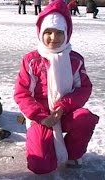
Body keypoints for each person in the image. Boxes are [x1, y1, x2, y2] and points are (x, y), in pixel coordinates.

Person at [14, 0, 98, 174]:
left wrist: (63, 106)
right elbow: (22, 93)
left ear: (66, 34)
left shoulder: (75, 60)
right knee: (41, 166)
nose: (53, 37)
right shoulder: (32, 60)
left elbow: (84, 88)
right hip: (42, 117)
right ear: (41, 33)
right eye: (48, 32)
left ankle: (73, 153)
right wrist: (41, 116)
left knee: (85, 118)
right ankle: (45, 145)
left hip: (65, 113)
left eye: (59, 33)